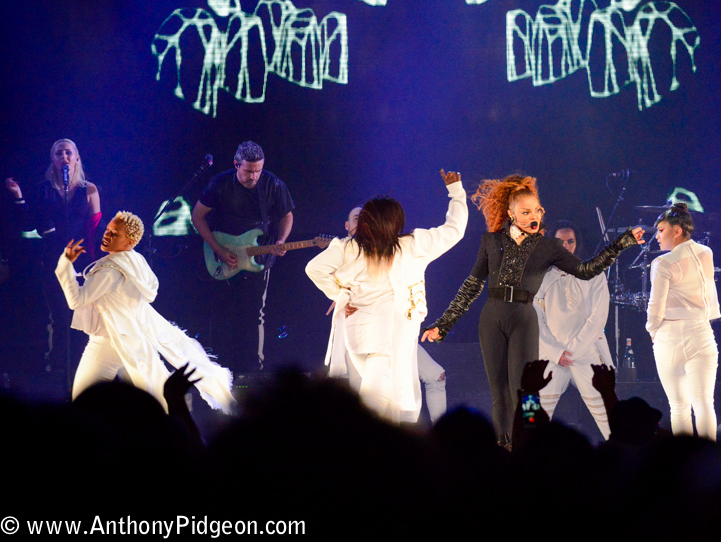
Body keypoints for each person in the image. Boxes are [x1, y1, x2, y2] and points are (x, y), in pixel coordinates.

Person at [422, 174, 643, 444]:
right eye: (525, 211)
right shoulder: (491, 242)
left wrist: (621, 243)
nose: (533, 216)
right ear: (510, 213)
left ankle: (527, 444)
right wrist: (443, 324)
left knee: (525, 392)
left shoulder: (548, 247)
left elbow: (586, 271)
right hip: (493, 317)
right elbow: (472, 285)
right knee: (499, 394)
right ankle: (506, 448)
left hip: (525, 320)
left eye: (536, 210)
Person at [305, 170, 467, 423]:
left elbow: (314, 269)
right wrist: (456, 192)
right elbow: (454, 230)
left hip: (359, 338)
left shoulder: (350, 247)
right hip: (388, 341)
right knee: (374, 409)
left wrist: (340, 295)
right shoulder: (411, 246)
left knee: (388, 406)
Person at [56, 211, 235, 412]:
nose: (107, 235)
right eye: (108, 230)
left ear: (129, 242)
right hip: (131, 340)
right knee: (149, 398)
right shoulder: (135, 260)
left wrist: (65, 265)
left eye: (115, 234)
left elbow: (76, 300)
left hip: (108, 343)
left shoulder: (111, 270)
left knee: (82, 399)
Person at [336, 203, 448, 424]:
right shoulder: (346, 250)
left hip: (393, 335)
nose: (361, 222)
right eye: (356, 218)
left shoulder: (390, 248)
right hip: (359, 336)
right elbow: (321, 273)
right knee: (370, 401)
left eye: (364, 217)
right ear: (348, 225)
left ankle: (439, 437)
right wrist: (339, 295)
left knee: (433, 376)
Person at [191, 141, 294, 372]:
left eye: (258, 170)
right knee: (221, 314)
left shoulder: (273, 184)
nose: (254, 176)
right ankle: (217, 370)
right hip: (222, 254)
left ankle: (253, 371)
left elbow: (286, 216)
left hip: (258, 258)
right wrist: (218, 248)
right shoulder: (219, 183)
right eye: (248, 171)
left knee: (255, 315)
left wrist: (281, 240)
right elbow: (197, 217)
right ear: (236, 164)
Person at [6, 139, 101, 374]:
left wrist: (99, 261)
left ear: (76, 157)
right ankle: (59, 368)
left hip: (83, 262)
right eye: (59, 153)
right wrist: (18, 196)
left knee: (83, 315)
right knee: (59, 316)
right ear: (53, 160)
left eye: (69, 152)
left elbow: (95, 228)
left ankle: (84, 368)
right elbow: (29, 223)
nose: (64, 157)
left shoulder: (88, 189)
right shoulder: (44, 190)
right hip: (52, 261)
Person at [646, 203, 721, 440]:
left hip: (670, 334)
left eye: (660, 230)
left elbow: (655, 306)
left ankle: (683, 464)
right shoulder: (706, 252)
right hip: (701, 331)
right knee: (704, 403)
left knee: (679, 405)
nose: (656, 236)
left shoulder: (662, 263)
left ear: (676, 231)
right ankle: (710, 461)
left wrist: (652, 330)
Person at [533, 220, 613, 439]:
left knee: (609, 417)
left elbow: (598, 318)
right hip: (551, 354)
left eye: (571, 241)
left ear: (577, 244)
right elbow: (534, 317)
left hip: (587, 352)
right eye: (560, 242)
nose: (566, 246)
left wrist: (574, 351)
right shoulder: (539, 275)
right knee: (531, 416)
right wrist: (556, 352)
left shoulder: (594, 273)